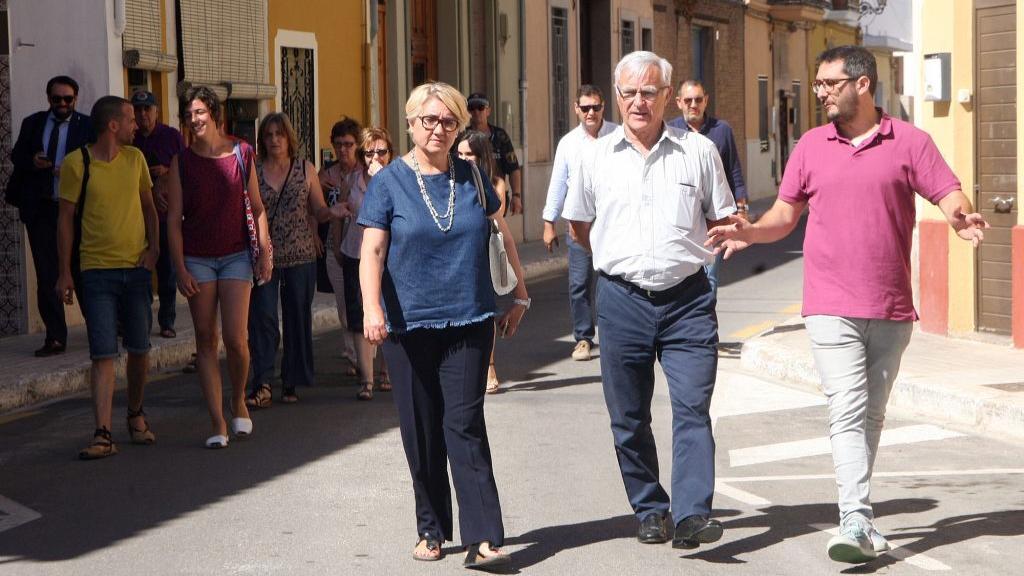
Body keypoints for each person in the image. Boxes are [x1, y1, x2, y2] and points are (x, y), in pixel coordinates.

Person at [706, 45, 989, 564]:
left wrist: (960, 216)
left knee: (871, 415)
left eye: (829, 83)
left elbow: (947, 191)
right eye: (817, 84)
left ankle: (861, 519)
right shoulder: (811, 145)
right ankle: (855, 518)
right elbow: (785, 216)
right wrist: (751, 231)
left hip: (890, 304)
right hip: (829, 301)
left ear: (863, 84)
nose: (821, 93)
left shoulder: (909, 141)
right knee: (847, 407)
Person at [563, 51, 735, 550]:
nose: (640, 101)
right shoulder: (595, 156)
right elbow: (579, 226)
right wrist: (618, 261)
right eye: (630, 93)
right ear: (617, 98)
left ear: (667, 96)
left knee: (692, 406)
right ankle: (650, 507)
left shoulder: (699, 151)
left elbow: (722, 216)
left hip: (688, 301)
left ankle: (692, 514)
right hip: (621, 301)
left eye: (650, 91)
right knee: (629, 415)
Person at [359, 82, 530, 569]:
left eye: (448, 121)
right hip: (407, 326)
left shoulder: (472, 177)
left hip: (469, 318)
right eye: (429, 120)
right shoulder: (388, 181)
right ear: (410, 123)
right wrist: (373, 309)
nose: (438, 129)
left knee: (464, 425)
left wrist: (518, 290)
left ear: (459, 126)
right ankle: (431, 528)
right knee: (421, 431)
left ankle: (482, 535)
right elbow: (372, 251)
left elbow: (500, 234)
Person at [167, 86, 272, 449]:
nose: (194, 120)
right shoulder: (182, 162)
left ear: (214, 114)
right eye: (189, 114)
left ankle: (238, 397)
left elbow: (257, 207)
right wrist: (179, 267)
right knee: (206, 340)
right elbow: (173, 220)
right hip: (197, 258)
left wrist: (265, 251)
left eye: (199, 112)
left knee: (236, 340)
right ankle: (217, 422)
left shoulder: (241, 152)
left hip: (236, 255)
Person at [55, 95, 159, 459]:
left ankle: (135, 414)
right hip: (96, 271)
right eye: (131, 119)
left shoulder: (136, 159)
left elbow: (149, 208)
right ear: (113, 125)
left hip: (136, 270)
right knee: (102, 353)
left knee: (140, 350)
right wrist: (65, 271)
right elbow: (65, 219)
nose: (137, 124)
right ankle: (102, 433)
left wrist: (154, 251)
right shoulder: (76, 164)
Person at [246, 113, 349, 407]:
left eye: (279, 134)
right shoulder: (253, 170)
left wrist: (335, 211)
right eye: (269, 135)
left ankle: (291, 380)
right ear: (263, 140)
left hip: (301, 255)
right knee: (263, 319)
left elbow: (318, 209)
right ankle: (262, 381)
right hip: (265, 255)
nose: (275, 139)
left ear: (289, 137)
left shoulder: (305, 169)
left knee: (297, 319)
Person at [7, 75, 94, 357]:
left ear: (75, 99)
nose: (62, 104)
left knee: (80, 271)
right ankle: (55, 337)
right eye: (57, 99)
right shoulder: (33, 123)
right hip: (43, 208)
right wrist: (33, 161)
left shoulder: (86, 126)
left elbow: (96, 162)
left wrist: (71, 171)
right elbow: (16, 156)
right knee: (47, 274)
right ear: (49, 99)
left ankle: (98, 329)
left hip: (76, 209)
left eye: (67, 99)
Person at [541, 84, 618, 362]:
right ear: (576, 109)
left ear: (603, 107)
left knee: (614, 280)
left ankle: (614, 335)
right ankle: (584, 338)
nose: (590, 113)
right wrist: (549, 222)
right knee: (579, 284)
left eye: (595, 107)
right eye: (585, 108)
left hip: (613, 222)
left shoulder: (618, 136)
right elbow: (558, 183)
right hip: (579, 224)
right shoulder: (568, 144)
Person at [456, 130, 528, 394]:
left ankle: (489, 366)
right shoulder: (449, 181)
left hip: (485, 253)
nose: (463, 158)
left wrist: (521, 297)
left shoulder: (493, 183)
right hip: (459, 258)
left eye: (469, 154)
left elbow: (503, 230)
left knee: (484, 312)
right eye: (460, 153)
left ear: (481, 156)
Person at [668, 80, 748, 296]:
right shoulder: (670, 131)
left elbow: (735, 171)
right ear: (678, 102)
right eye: (688, 100)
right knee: (683, 276)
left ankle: (706, 324)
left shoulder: (721, 131)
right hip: (682, 219)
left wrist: (741, 209)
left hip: (714, 219)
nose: (693, 104)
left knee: (710, 276)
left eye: (698, 99)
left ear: (706, 101)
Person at [342, 127, 392, 401]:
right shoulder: (351, 180)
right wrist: (338, 245)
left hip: (387, 257)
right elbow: (342, 212)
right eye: (369, 152)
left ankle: (386, 373)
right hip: (355, 253)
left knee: (386, 312)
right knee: (360, 316)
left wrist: (381, 179)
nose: (376, 157)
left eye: (381, 151)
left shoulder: (396, 180)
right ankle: (366, 380)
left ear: (390, 153)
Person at [131, 90, 185, 338]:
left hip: (165, 215)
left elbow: (186, 168)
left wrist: (166, 170)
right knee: (140, 272)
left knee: (167, 271)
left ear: (156, 111)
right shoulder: (129, 139)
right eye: (138, 110)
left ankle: (167, 321)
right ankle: (139, 321)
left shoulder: (172, 136)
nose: (143, 114)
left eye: (147, 109)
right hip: (137, 217)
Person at [318, 118, 361, 375]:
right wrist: (315, 235)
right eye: (338, 145)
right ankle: (353, 353)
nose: (343, 150)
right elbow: (315, 208)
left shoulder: (364, 174)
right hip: (335, 247)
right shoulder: (327, 175)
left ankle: (363, 355)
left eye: (348, 144)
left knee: (362, 302)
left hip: (359, 246)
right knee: (344, 304)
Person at [466, 92, 522, 215]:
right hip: (470, 195)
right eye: (472, 108)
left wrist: (516, 195)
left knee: (497, 231)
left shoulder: (500, 136)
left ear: (488, 111)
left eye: (480, 108)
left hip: (497, 194)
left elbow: (513, 168)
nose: (476, 112)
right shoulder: (462, 137)